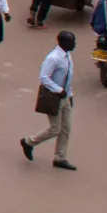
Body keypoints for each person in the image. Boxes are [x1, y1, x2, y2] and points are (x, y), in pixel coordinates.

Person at [23, 30, 80, 169]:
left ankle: (59, 158)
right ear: (64, 42)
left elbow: (67, 78)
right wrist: (58, 90)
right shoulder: (53, 58)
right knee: (56, 129)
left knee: (66, 129)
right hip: (54, 98)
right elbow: (43, 78)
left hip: (65, 97)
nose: (75, 44)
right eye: (72, 41)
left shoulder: (67, 56)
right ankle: (29, 142)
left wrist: (69, 95)